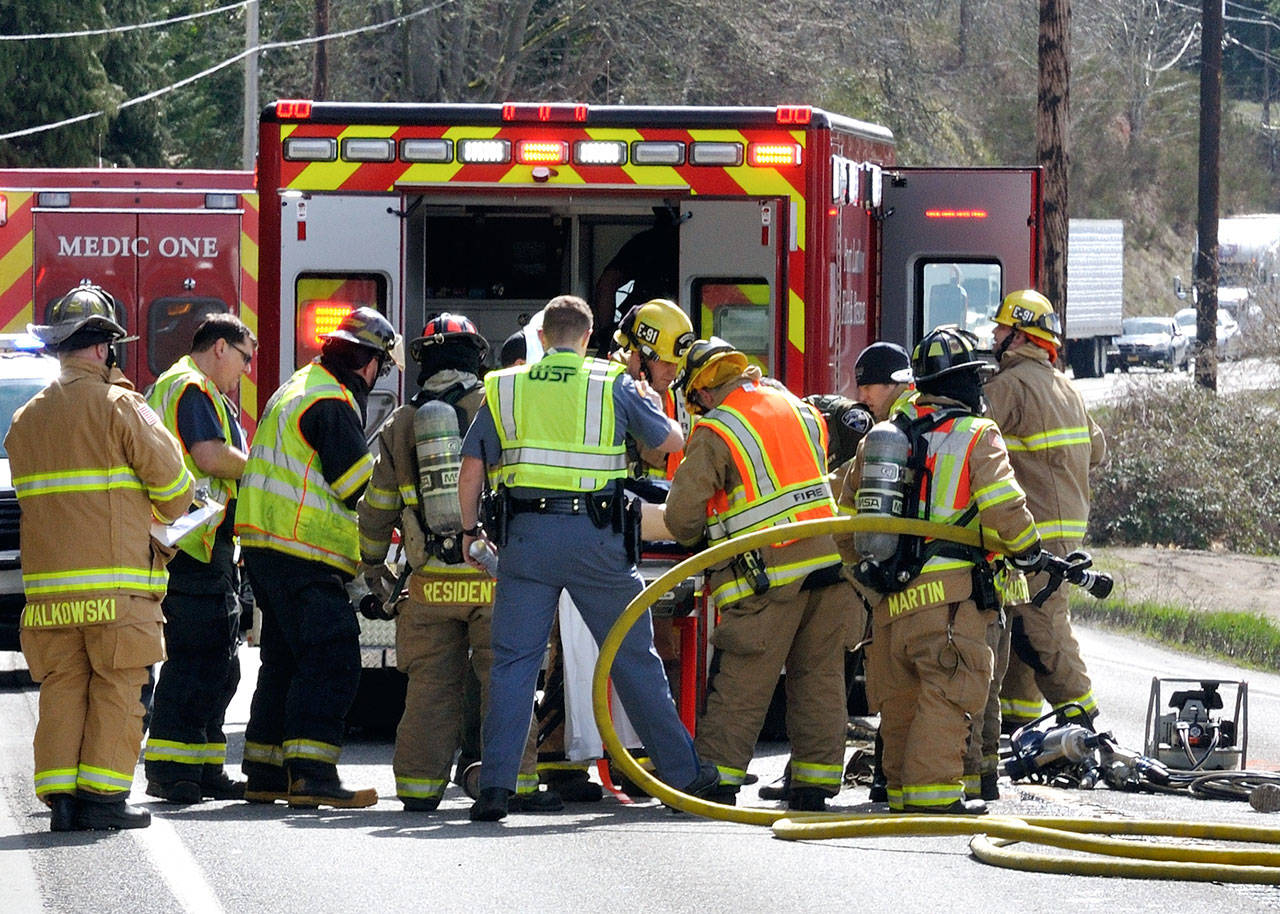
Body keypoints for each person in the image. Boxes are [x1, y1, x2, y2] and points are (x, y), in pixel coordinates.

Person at [457, 294, 717, 822]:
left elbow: (470, 468)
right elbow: (668, 440)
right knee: (632, 658)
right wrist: (650, 403)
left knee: (512, 665)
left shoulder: (505, 387)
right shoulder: (609, 382)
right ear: (587, 335)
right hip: (596, 541)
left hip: (525, 541)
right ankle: (684, 776)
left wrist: (468, 532)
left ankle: (497, 788)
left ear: (545, 336)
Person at [7, 281, 193, 831]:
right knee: (118, 689)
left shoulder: (25, 420)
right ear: (101, 347)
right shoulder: (121, 406)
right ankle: (105, 801)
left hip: (48, 598)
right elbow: (177, 490)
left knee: (63, 689)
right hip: (118, 592)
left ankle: (62, 802)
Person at [837, 325, 1045, 815]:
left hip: (890, 603)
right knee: (946, 697)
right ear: (965, 383)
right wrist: (1030, 551)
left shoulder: (885, 438)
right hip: (950, 604)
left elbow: (844, 516)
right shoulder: (977, 435)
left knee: (902, 702)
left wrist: (865, 578)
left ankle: (904, 796)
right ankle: (932, 803)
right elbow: (1003, 507)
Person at [356, 313, 556, 813]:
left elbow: (377, 506)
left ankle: (419, 789)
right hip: (493, 578)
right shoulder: (498, 408)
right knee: (505, 682)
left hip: (427, 586)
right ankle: (518, 785)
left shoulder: (402, 422)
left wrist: (374, 566)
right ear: (475, 356)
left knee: (429, 689)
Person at [664, 338, 856, 811]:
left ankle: (717, 779)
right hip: (830, 565)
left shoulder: (718, 428)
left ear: (702, 392)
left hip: (770, 574)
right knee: (819, 678)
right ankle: (814, 783)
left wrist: (703, 535)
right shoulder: (798, 407)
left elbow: (681, 517)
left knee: (743, 677)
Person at [235, 306, 400, 809]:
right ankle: (312, 774)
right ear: (369, 363)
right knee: (332, 655)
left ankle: (265, 770)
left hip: (269, 548)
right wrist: (401, 519)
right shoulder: (331, 402)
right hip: (301, 549)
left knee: (285, 658)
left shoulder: (299, 386)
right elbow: (359, 490)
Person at [143, 314, 256, 805]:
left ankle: (204, 766)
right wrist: (262, 466)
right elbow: (209, 457)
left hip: (205, 546)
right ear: (219, 348)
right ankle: (170, 770)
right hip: (190, 546)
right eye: (244, 357)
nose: (246, 370)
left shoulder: (190, 389)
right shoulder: (192, 387)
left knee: (220, 664)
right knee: (195, 660)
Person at [987, 290, 1107, 741]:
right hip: (1065, 531)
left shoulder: (1009, 386)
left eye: (1001, 328)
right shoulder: (1066, 387)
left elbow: (966, 436)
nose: (994, 335)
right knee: (1019, 621)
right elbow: (1097, 451)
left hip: (1034, 531)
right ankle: (1018, 719)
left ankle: (1086, 723)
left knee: (1045, 631)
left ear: (1020, 336)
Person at [590, 208, 682, 354]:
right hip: (676, 340)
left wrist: (607, 333)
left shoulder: (646, 242)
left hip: (632, 335)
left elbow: (606, 284)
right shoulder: (700, 245)